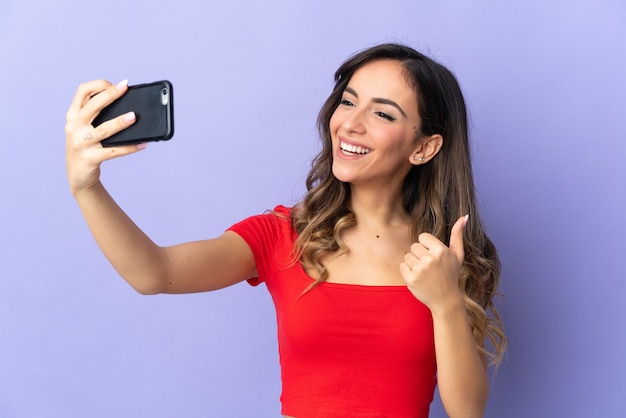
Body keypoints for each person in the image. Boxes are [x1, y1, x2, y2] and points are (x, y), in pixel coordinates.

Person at [65, 43, 506, 418]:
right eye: (348, 101)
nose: (350, 123)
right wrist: (87, 187)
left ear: (425, 147)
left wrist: (447, 302)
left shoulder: (447, 256)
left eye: (383, 114)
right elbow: (154, 273)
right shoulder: (282, 236)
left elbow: (466, 410)